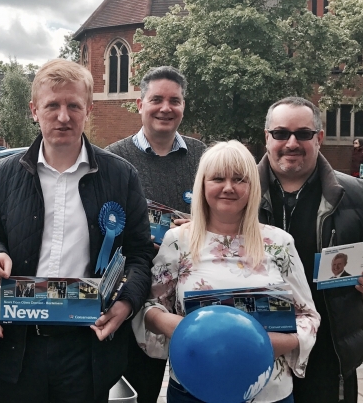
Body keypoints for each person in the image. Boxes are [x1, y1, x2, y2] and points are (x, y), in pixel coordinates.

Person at [0, 59, 154, 403]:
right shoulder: (7, 173)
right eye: (52, 105)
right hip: (21, 344)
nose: (63, 116)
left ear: (88, 109)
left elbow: (139, 255)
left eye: (73, 105)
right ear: (34, 110)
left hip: (87, 348)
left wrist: (127, 304)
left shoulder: (121, 176)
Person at [135, 141, 320, 403]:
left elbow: (308, 317)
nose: (228, 187)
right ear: (202, 185)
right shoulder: (178, 241)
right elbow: (150, 306)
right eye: (218, 178)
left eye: (239, 179)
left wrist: (264, 343)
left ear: (252, 187)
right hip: (193, 389)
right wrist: (180, 327)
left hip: (268, 392)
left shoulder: (280, 243)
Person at [259, 97, 363, 402]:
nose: (291, 143)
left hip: (328, 355)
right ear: (266, 137)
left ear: (318, 138)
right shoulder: (239, 194)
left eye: (303, 134)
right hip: (261, 348)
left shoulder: (357, 196)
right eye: (281, 133)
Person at [105, 65, 205, 403]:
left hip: (190, 297)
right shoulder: (114, 158)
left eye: (174, 100)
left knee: (197, 388)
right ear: (140, 104)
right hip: (134, 294)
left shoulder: (202, 156)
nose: (166, 108)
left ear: (183, 106)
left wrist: (197, 227)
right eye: (157, 99)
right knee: (139, 390)